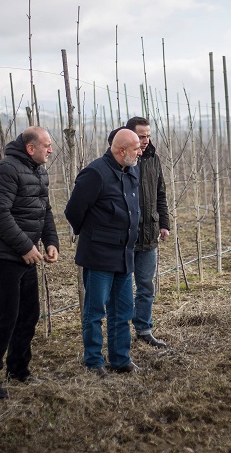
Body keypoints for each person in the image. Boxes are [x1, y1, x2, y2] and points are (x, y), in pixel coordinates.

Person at [0, 127, 60, 399]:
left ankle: (18, 369)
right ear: (30, 148)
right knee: (7, 316)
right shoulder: (5, 171)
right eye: (46, 145)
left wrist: (50, 241)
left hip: (26, 256)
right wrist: (25, 246)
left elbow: (44, 210)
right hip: (3, 256)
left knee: (29, 314)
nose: (50, 150)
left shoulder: (38, 171)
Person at [65, 128, 142, 376]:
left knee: (123, 311)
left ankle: (120, 359)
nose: (140, 152)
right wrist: (92, 235)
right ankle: (94, 362)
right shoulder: (95, 173)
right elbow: (74, 211)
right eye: (136, 149)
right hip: (99, 255)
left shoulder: (132, 171)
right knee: (95, 311)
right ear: (121, 151)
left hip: (124, 254)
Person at [124, 116, 170, 348]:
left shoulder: (153, 159)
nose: (145, 140)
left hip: (150, 233)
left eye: (148, 135)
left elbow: (160, 193)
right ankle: (120, 331)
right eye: (141, 136)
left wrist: (164, 223)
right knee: (121, 288)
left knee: (146, 285)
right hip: (124, 237)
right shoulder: (122, 159)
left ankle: (143, 329)